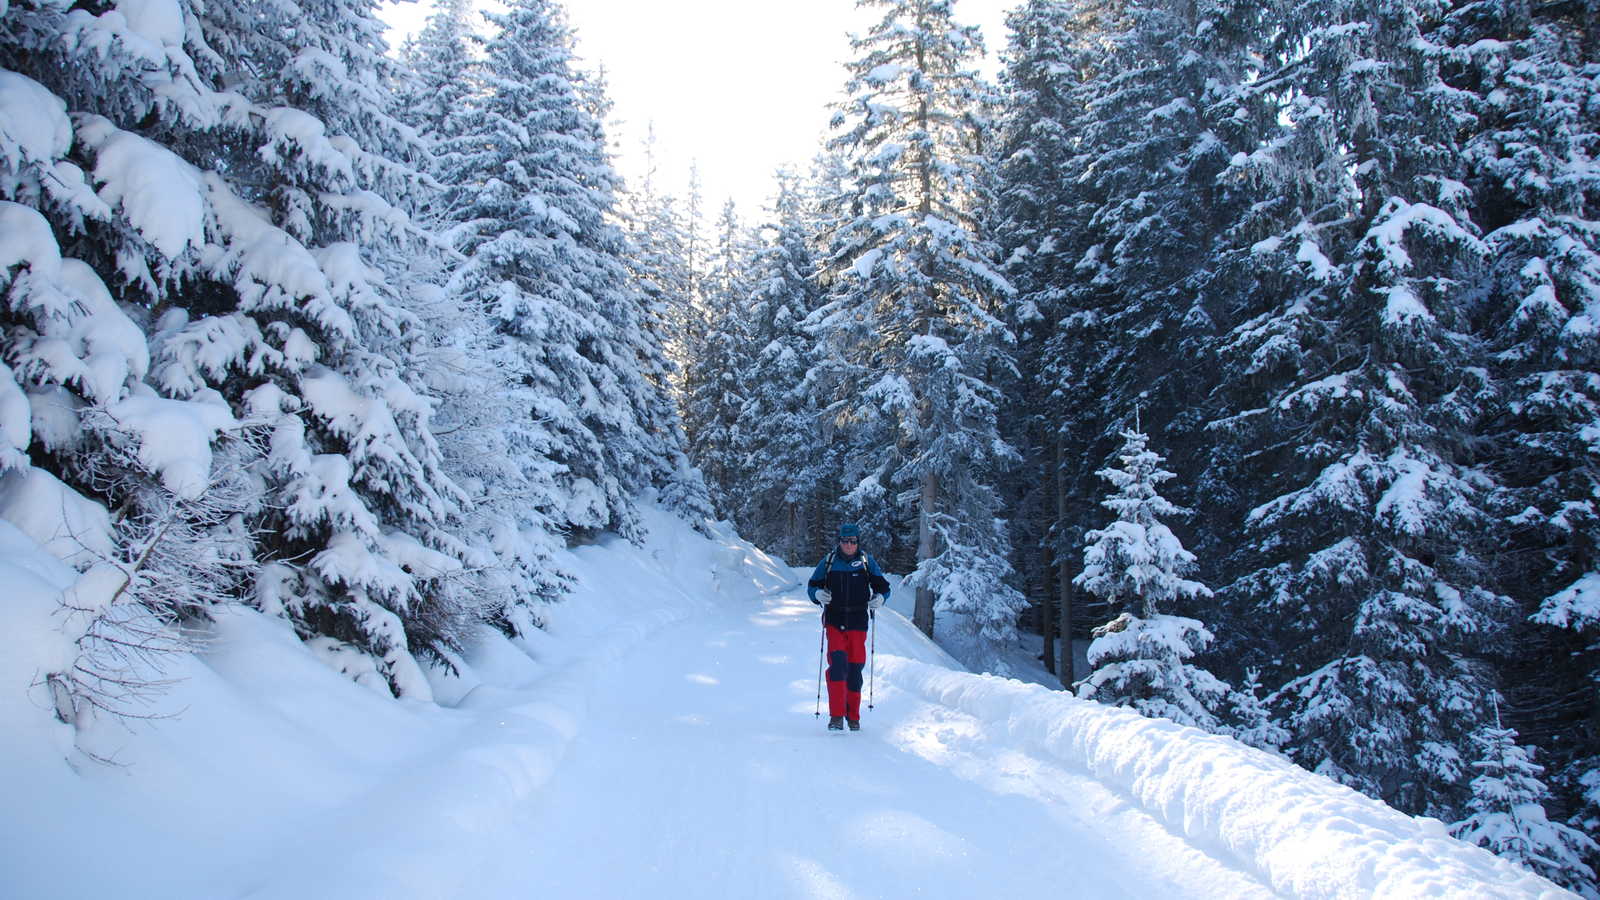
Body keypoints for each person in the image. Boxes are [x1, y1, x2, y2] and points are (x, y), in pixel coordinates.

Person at [807, 523, 890, 732]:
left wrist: (880, 598)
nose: (849, 545)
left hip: (858, 623)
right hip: (834, 621)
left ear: (858, 541)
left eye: (853, 541)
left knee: (854, 670)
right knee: (837, 667)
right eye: (845, 541)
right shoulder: (828, 562)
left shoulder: (866, 562)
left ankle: (853, 717)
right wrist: (816, 595)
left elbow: (884, 587)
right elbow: (812, 586)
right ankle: (836, 717)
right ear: (840, 541)